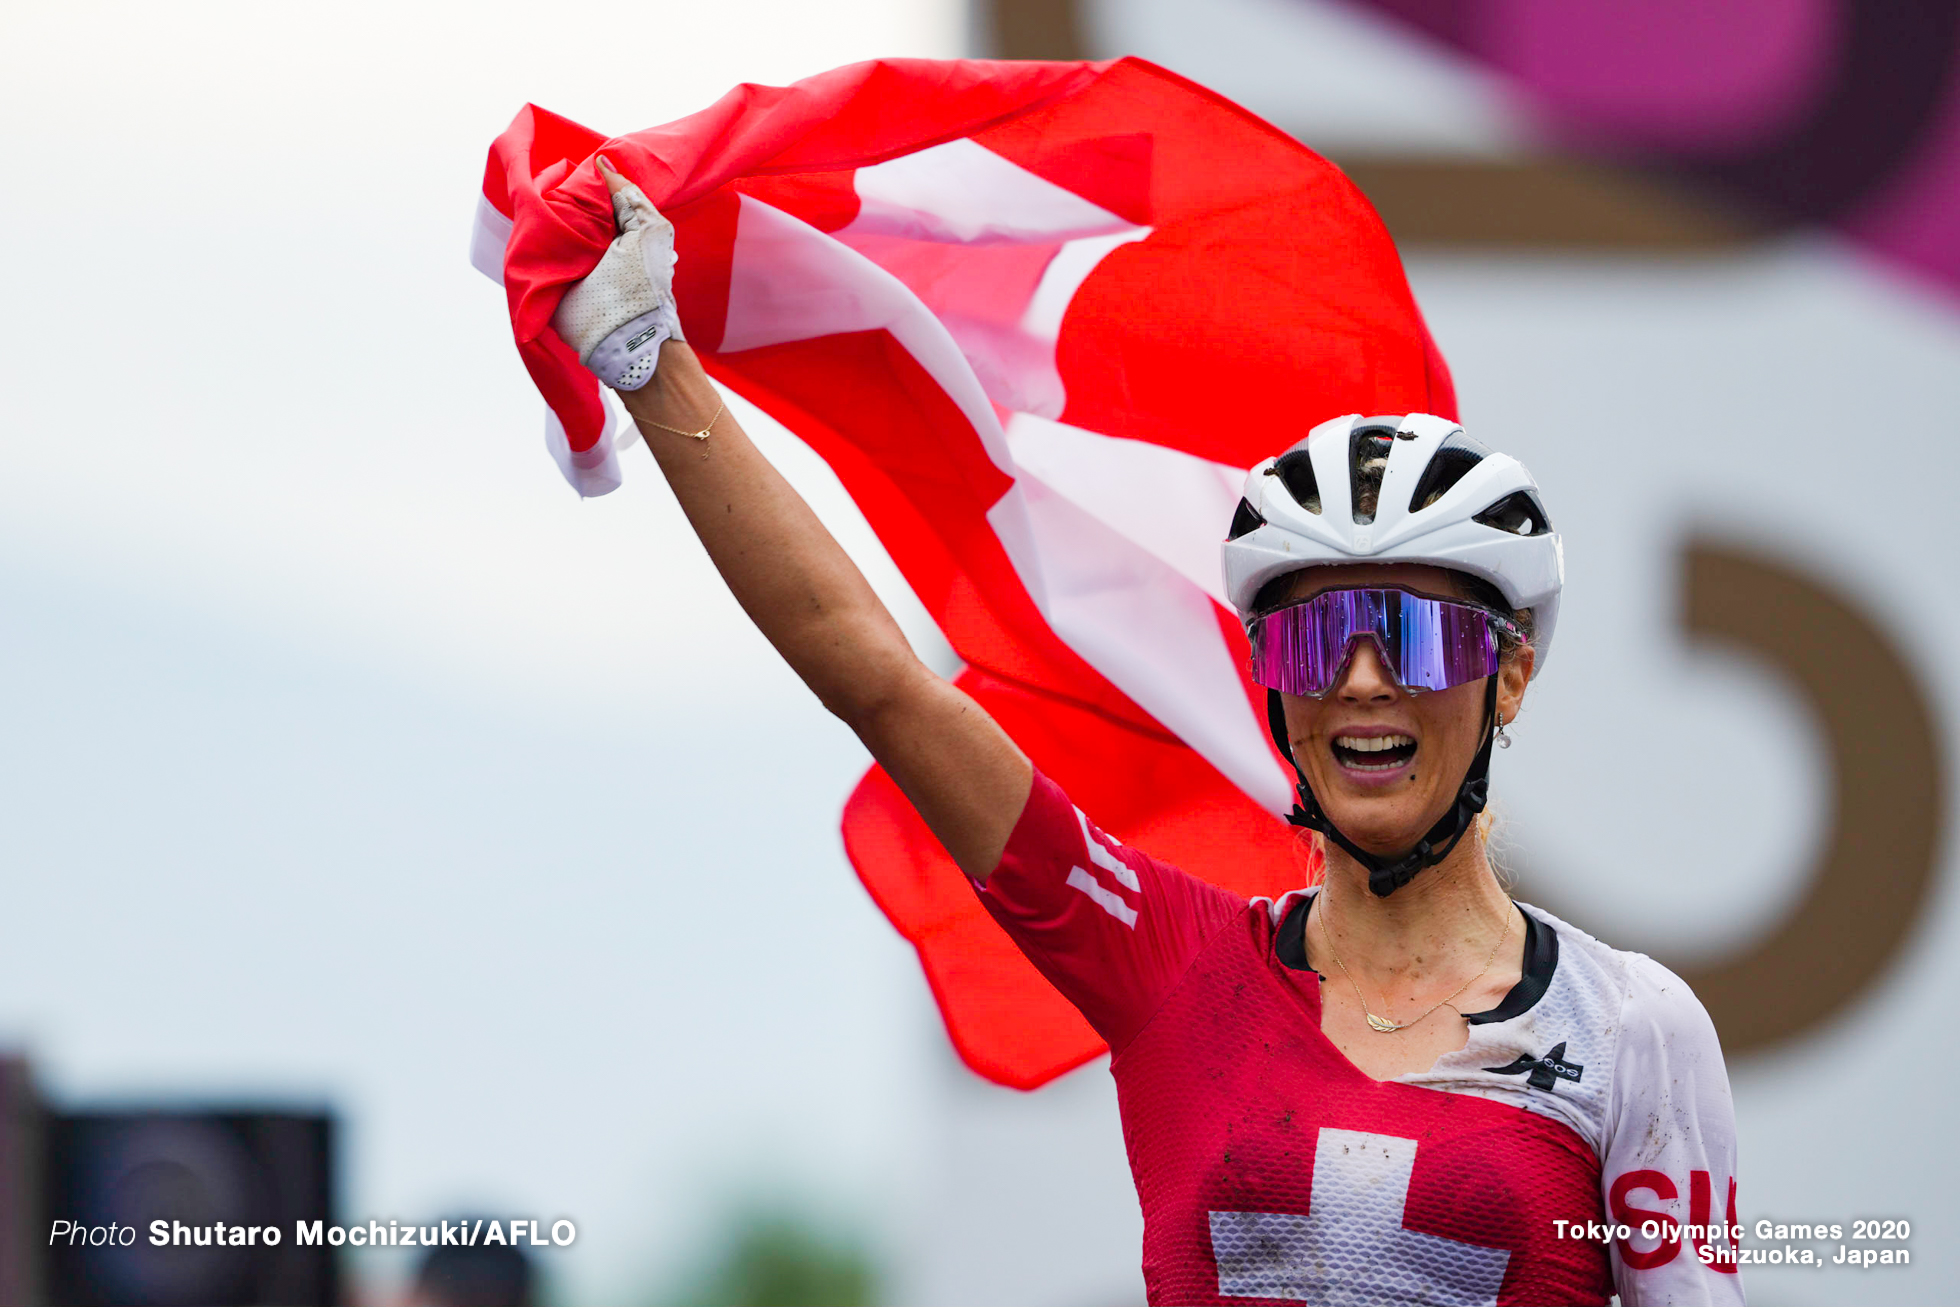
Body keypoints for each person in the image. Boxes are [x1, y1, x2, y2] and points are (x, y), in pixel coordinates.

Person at [553, 157, 1743, 1306]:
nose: (1365, 681)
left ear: (1511, 676)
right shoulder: (1170, 961)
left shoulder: (1631, 1028)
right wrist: (647, 358)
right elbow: (879, 681)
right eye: (1315, 642)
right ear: (1273, 686)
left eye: (1416, 636)